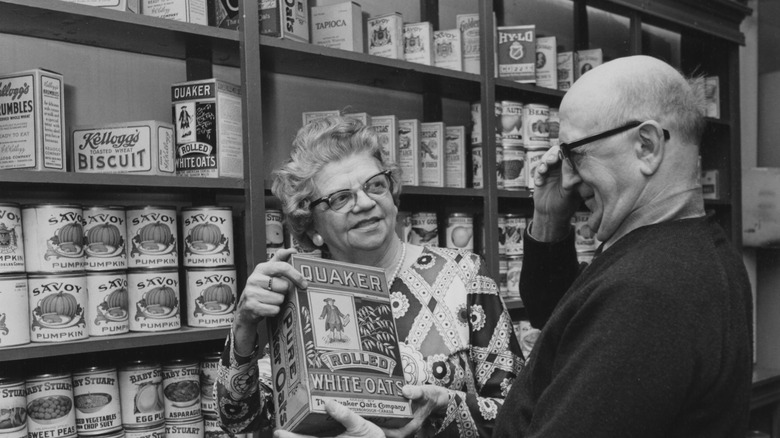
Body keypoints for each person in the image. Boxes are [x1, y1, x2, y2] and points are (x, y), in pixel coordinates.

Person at [214, 115, 524, 438]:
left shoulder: (464, 274)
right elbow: (238, 419)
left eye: (375, 185)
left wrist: (444, 403)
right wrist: (244, 325)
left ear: (392, 193)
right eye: (340, 198)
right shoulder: (302, 291)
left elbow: (524, 412)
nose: (364, 203)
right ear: (312, 227)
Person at [492, 55, 753, 436]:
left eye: (573, 153)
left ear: (646, 146)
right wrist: (550, 219)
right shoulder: (679, 248)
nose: (565, 178)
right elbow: (562, 322)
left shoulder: (646, 291)